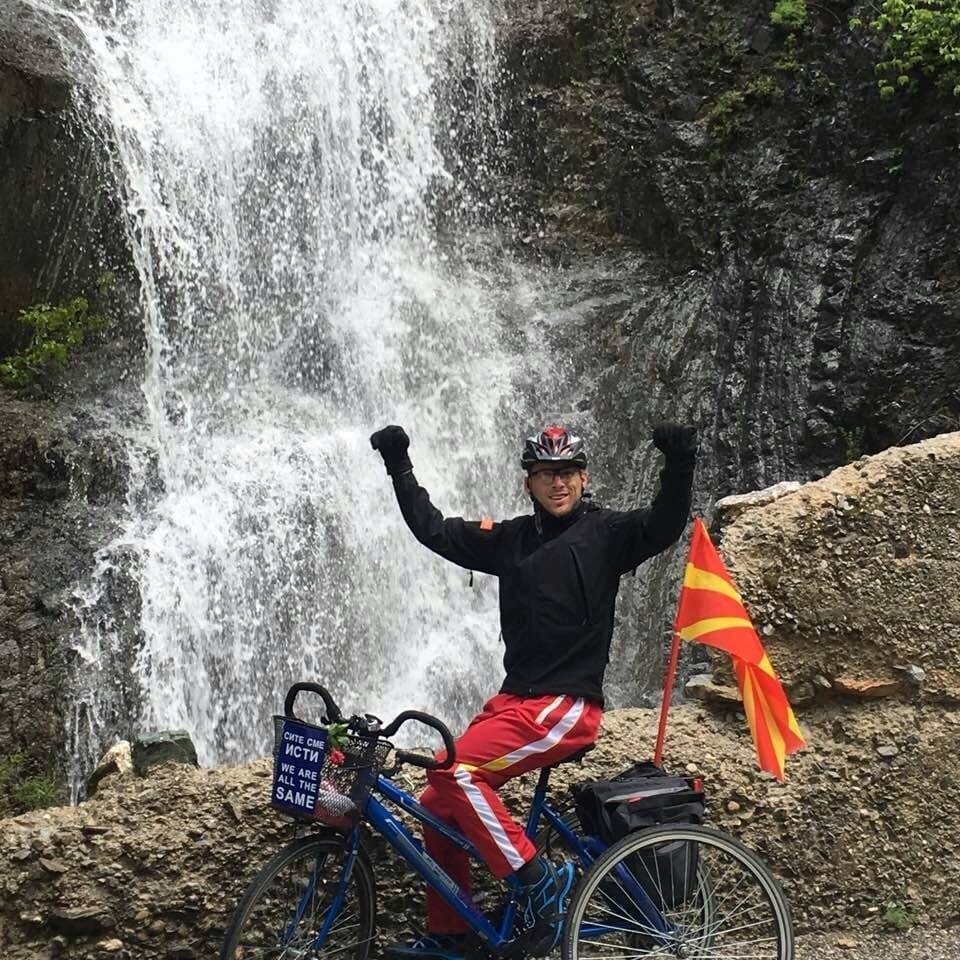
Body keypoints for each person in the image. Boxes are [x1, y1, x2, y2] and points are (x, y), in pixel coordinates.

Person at [370, 421, 697, 959]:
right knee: (437, 801)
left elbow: (664, 524)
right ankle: (454, 934)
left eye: (567, 472)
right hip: (514, 701)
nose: (558, 483)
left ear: (583, 478)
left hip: (565, 704)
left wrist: (679, 461)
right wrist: (399, 465)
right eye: (546, 474)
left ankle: (539, 883)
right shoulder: (511, 539)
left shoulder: (608, 533)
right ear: (529, 483)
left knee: (454, 771)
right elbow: (435, 530)